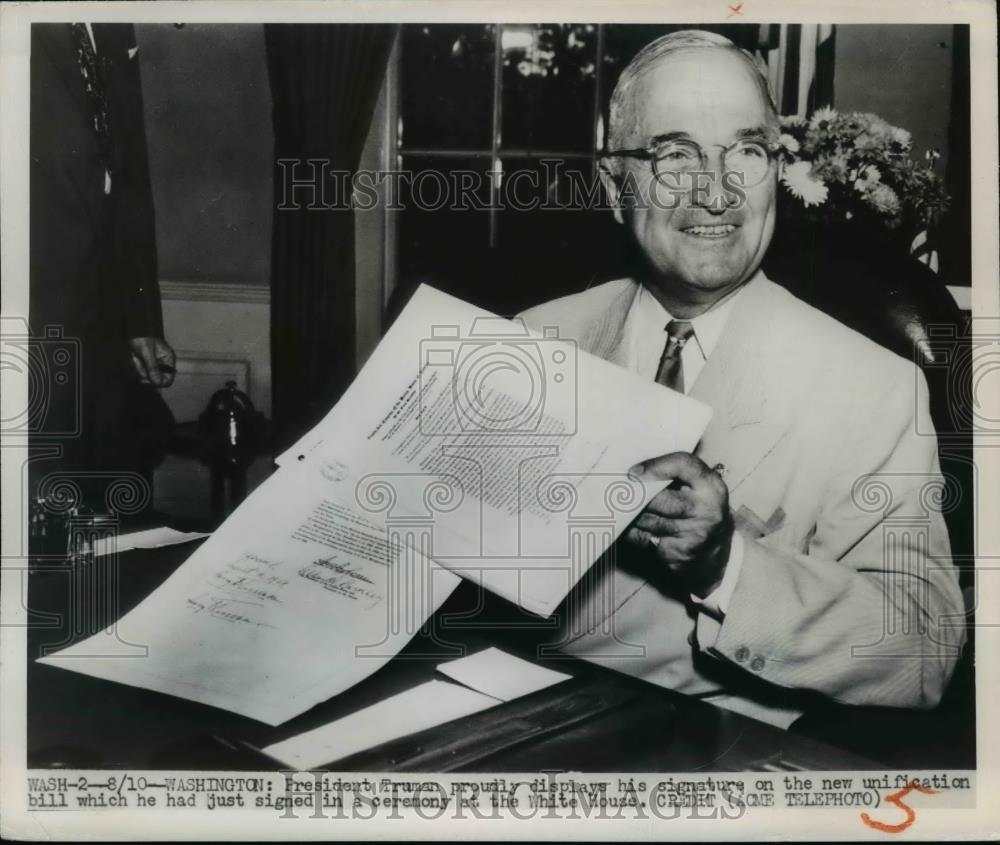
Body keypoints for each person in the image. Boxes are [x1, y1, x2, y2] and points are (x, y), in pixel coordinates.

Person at [519, 30, 965, 728]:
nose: (717, 189)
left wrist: (726, 565)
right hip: (505, 724)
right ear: (614, 185)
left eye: (747, 153)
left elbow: (924, 647)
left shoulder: (874, 387)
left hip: (718, 759)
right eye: (674, 155)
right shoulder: (531, 340)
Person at [30, 23, 175, 510]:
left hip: (105, 330)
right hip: (28, 322)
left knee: (112, 508)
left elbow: (129, 181)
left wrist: (142, 321)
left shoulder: (113, 26)